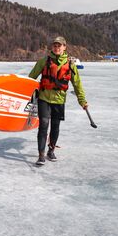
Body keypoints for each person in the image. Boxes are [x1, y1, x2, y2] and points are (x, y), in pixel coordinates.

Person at [29, 36, 88, 166]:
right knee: (43, 124)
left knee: (55, 127)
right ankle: (41, 155)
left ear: (64, 47)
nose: (56, 48)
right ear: (52, 47)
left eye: (59, 46)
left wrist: (82, 101)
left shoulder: (71, 64)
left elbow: (77, 85)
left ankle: (51, 150)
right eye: (55, 46)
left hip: (59, 100)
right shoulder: (43, 61)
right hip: (44, 98)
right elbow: (31, 78)